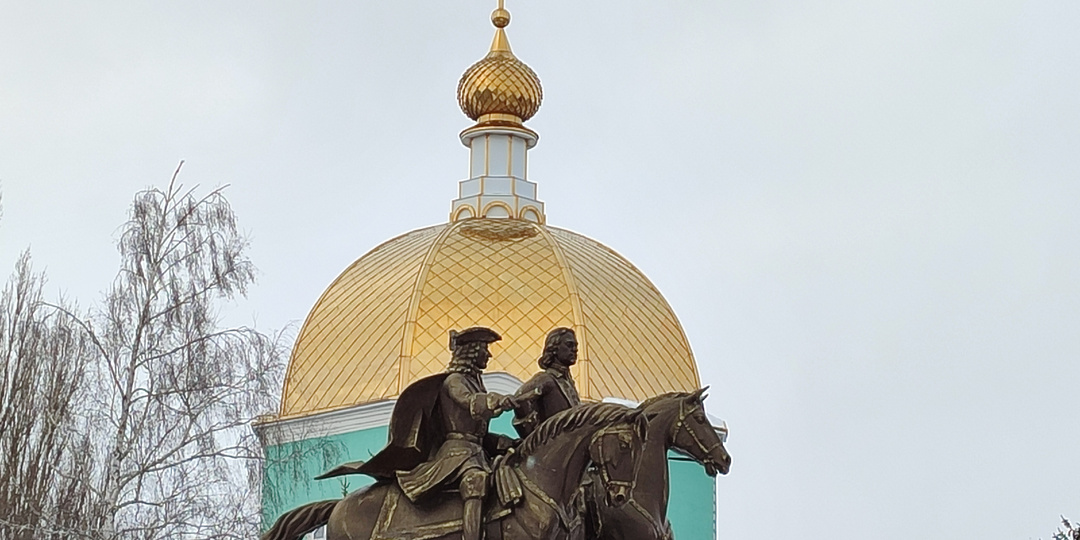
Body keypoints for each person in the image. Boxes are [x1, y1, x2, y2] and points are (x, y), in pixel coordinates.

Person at [328, 327, 517, 540]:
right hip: (457, 453)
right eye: (484, 349)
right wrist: (498, 400)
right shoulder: (455, 381)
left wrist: (506, 442)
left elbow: (478, 433)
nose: (489, 355)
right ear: (472, 352)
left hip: (475, 452)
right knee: (476, 480)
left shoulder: (476, 383)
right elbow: (469, 403)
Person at [512, 327, 582, 437]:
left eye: (575, 346)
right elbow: (519, 400)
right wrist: (534, 436)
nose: (574, 349)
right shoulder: (546, 379)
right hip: (552, 446)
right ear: (554, 348)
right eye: (569, 345)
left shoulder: (568, 382)